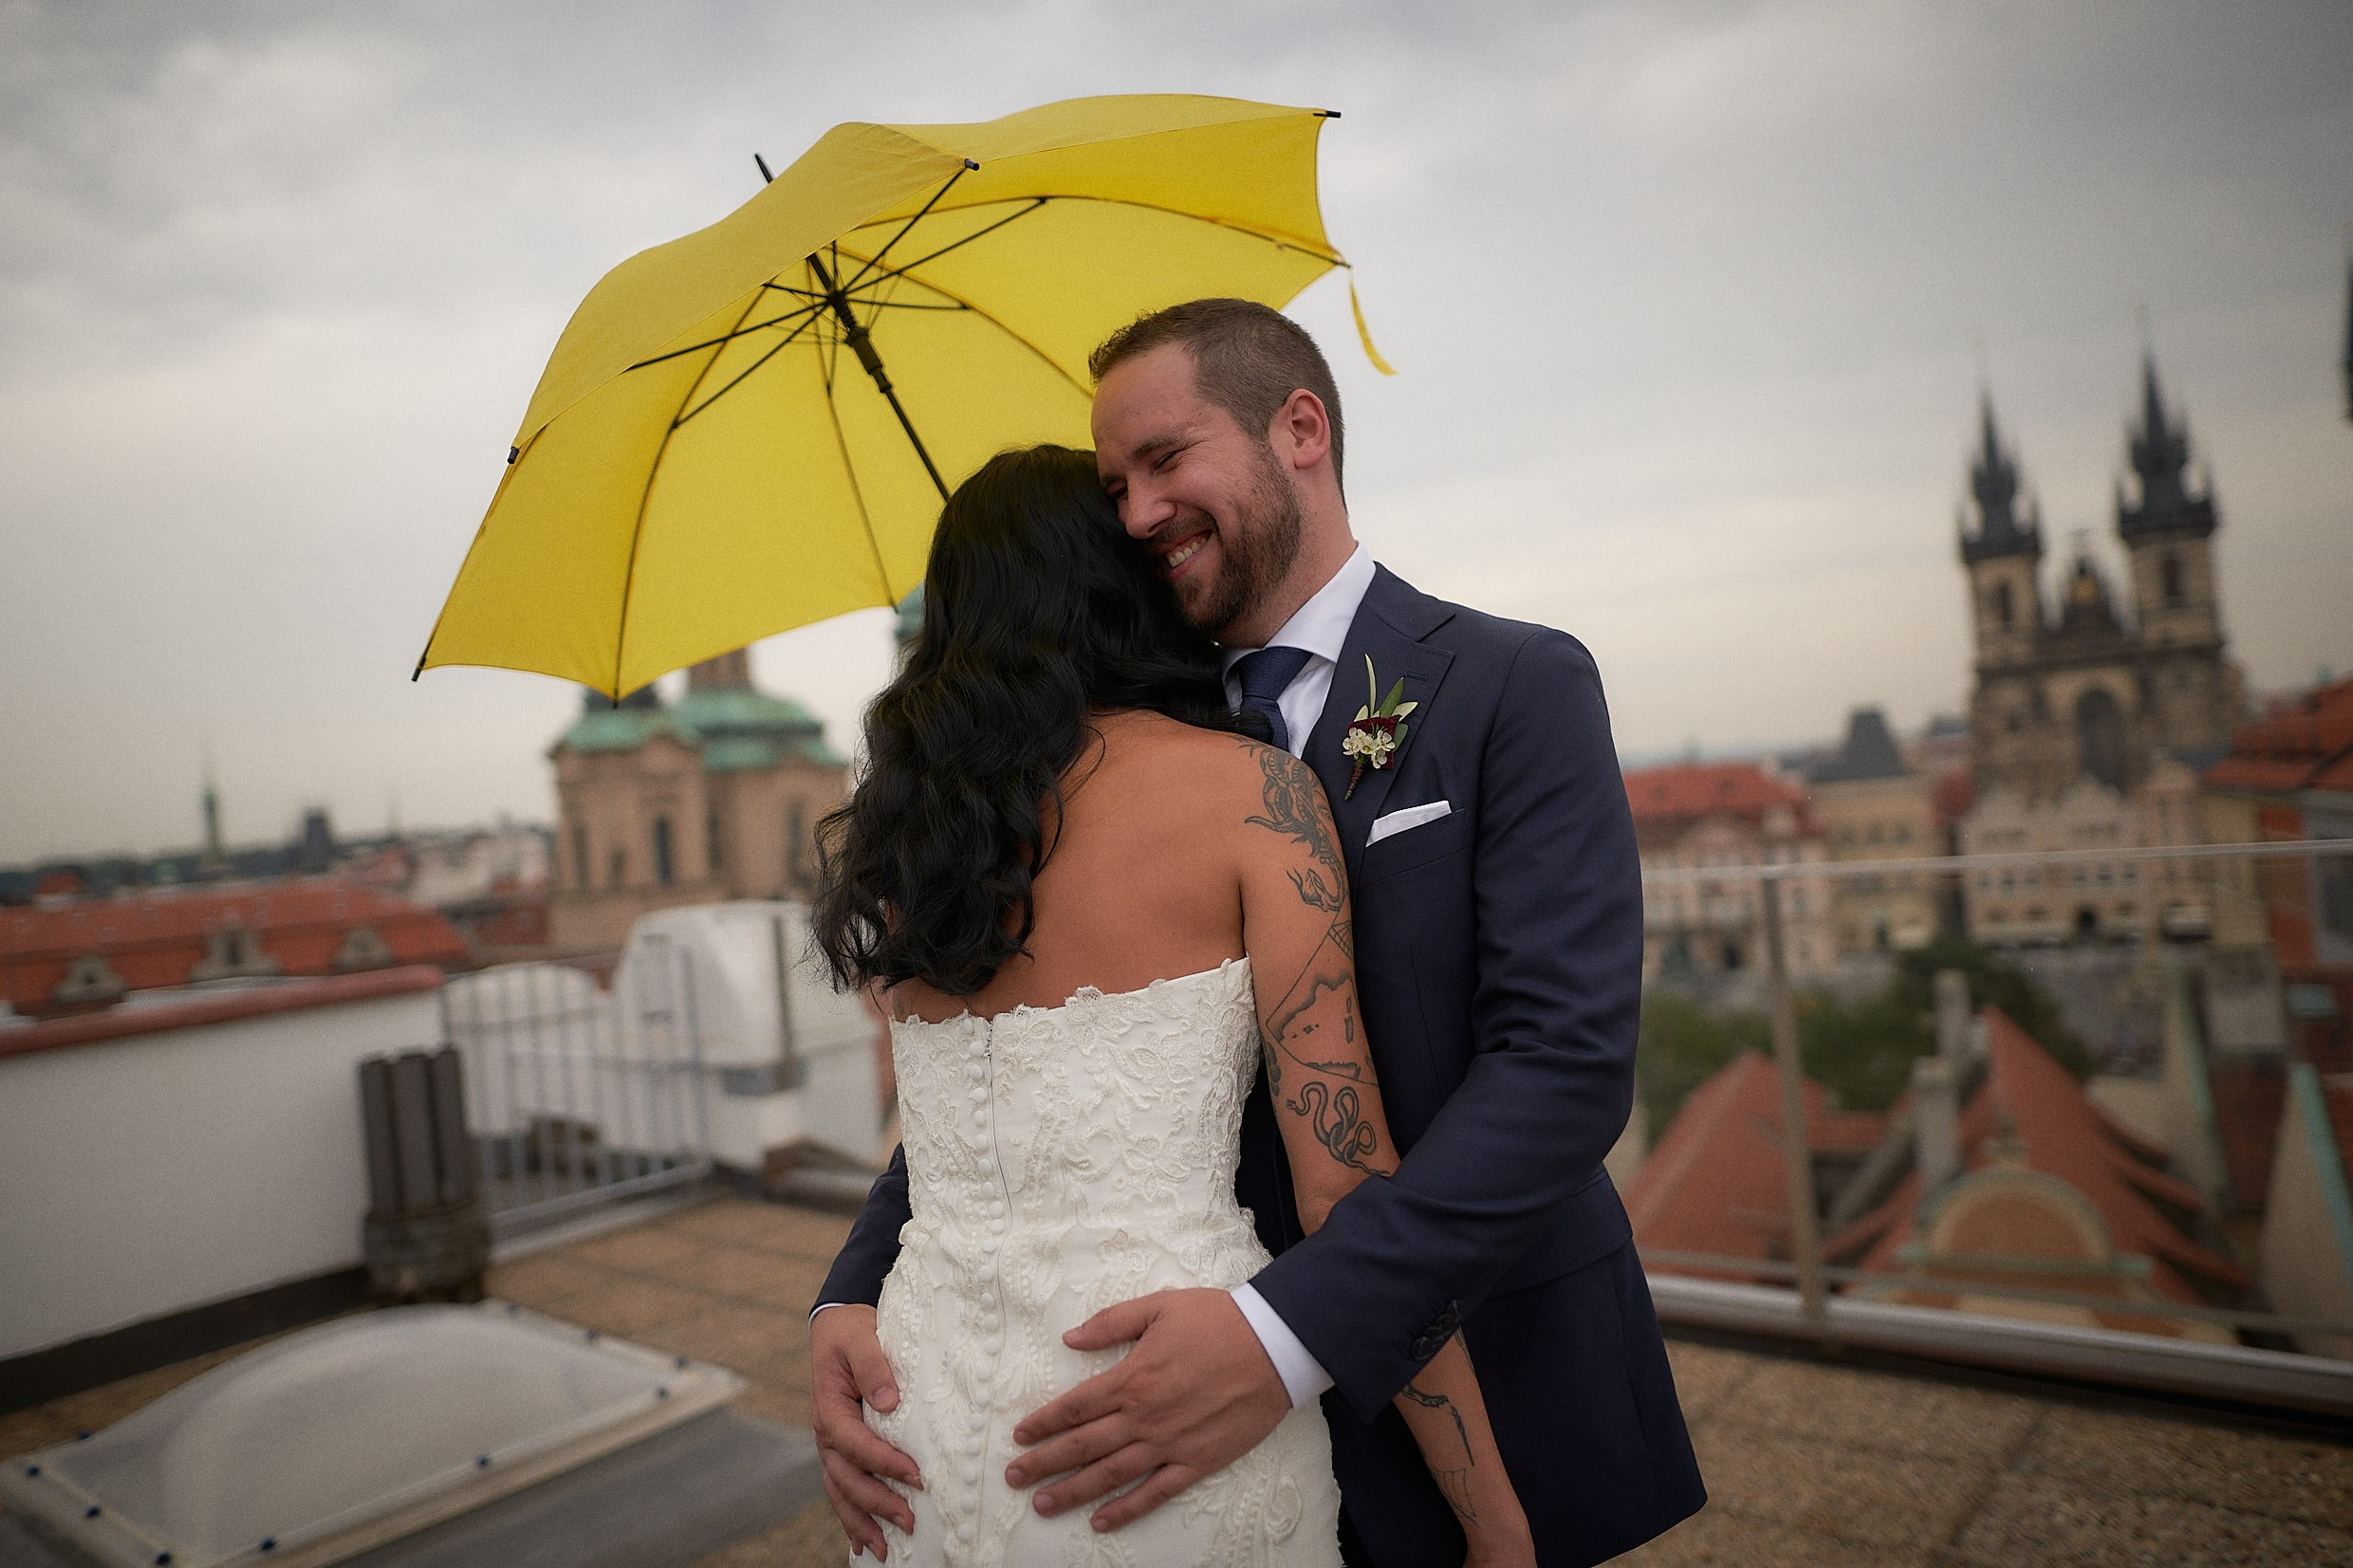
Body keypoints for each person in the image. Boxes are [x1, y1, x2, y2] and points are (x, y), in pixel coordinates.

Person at [814, 301, 1706, 1567]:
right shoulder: (1068, 759)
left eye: (1165, 461)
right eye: (1113, 483)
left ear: (1300, 428)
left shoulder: (1512, 684)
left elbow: (1561, 1070)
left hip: (1471, 1369)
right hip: (1140, 1427)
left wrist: (1285, 1330)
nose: (1132, 513)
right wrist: (850, 1286)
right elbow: (1016, 1076)